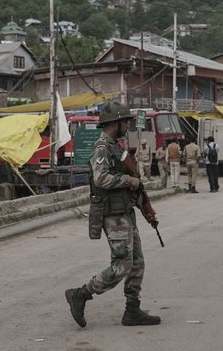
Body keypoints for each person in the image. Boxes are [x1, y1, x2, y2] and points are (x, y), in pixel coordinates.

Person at [65, 102, 161, 328]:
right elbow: (100, 179)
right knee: (122, 265)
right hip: (113, 215)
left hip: (125, 212)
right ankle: (81, 294)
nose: (127, 126)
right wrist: (128, 180)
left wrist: (144, 206)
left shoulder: (116, 147)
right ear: (114, 123)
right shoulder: (102, 148)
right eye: (125, 122)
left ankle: (132, 310)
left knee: (137, 263)